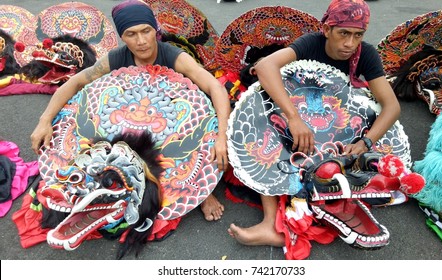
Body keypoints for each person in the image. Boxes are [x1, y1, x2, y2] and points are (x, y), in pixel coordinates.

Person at [30, 0, 231, 221]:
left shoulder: (174, 56)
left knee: (201, 133)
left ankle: (202, 192)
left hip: (174, 122)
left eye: (146, 31)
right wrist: (44, 120)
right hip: (130, 122)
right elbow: (74, 83)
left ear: (155, 29)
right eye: (131, 34)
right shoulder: (117, 57)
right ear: (122, 37)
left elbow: (215, 88)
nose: (142, 41)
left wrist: (221, 136)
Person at [228, 0, 400, 246]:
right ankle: (269, 223)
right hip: (297, 109)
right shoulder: (311, 43)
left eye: (358, 35)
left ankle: (324, 205)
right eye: (343, 34)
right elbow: (265, 66)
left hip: (334, 122)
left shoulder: (366, 54)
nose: (350, 44)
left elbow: (391, 106)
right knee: (264, 127)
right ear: (327, 29)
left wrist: (366, 141)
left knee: (349, 164)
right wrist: (293, 118)